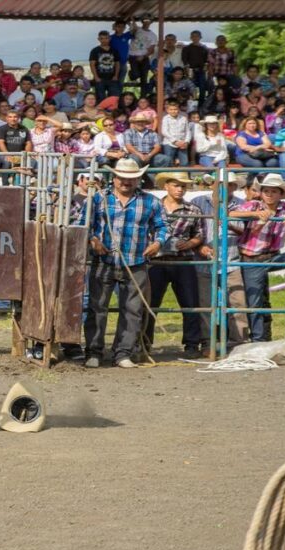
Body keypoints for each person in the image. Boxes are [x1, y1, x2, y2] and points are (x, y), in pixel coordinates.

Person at [81, 159, 168, 368]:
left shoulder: (151, 202)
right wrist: (93, 240)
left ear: (138, 178)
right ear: (114, 178)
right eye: (122, 178)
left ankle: (123, 353)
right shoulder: (97, 199)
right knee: (96, 307)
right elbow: (83, 225)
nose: (126, 182)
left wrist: (158, 242)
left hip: (135, 261)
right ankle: (94, 352)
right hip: (103, 261)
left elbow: (164, 226)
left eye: (131, 178)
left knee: (133, 310)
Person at [229, 174, 285, 341]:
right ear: (261, 192)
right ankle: (259, 340)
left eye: (274, 191)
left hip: (273, 257)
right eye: (266, 190)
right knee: (255, 302)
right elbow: (232, 212)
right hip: (251, 259)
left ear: (280, 194)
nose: (269, 194)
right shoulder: (253, 205)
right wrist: (255, 215)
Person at [144, 173, 204, 358]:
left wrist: (191, 244)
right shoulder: (154, 206)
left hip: (183, 259)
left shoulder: (193, 209)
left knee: (190, 303)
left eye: (183, 186)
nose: (180, 189)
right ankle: (145, 342)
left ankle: (192, 344)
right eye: (176, 185)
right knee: (150, 302)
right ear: (167, 186)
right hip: (157, 261)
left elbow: (199, 234)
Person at [191, 171, 249, 351]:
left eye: (230, 184)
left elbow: (245, 232)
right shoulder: (198, 202)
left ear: (234, 187)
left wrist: (227, 218)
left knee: (237, 304)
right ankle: (208, 343)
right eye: (221, 184)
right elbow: (192, 231)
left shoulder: (242, 206)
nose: (225, 187)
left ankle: (239, 343)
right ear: (213, 185)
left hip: (231, 260)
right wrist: (199, 247)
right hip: (204, 261)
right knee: (206, 304)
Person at [127, 16, 157, 95]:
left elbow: (152, 49)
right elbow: (132, 27)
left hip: (144, 57)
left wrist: (144, 56)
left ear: (151, 22)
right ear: (142, 21)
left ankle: (143, 97)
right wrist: (132, 19)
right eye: (144, 20)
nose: (146, 21)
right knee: (136, 74)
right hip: (133, 56)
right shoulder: (137, 29)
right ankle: (131, 75)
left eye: (148, 20)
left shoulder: (153, 35)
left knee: (144, 79)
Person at [90, 30, 122, 101]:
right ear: (99, 39)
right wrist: (96, 77)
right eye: (102, 38)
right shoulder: (95, 50)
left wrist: (116, 76)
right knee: (100, 98)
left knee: (114, 98)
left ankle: (113, 112)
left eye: (106, 38)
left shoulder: (114, 50)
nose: (104, 40)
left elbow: (117, 64)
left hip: (112, 78)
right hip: (100, 78)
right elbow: (92, 65)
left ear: (109, 38)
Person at [159, 99, 191, 167]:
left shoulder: (183, 118)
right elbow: (164, 131)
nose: (173, 111)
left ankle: (185, 177)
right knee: (169, 162)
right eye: (171, 109)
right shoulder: (166, 118)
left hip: (182, 143)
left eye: (175, 109)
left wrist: (186, 142)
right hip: (169, 143)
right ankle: (168, 177)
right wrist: (175, 141)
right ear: (167, 110)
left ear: (178, 109)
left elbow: (188, 131)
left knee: (184, 163)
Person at [182, 30, 210, 105]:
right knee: (191, 87)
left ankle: (201, 103)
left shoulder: (204, 48)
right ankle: (191, 103)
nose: (195, 38)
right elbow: (184, 60)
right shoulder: (187, 48)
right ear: (190, 37)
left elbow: (207, 60)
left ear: (200, 37)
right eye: (193, 36)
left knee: (202, 87)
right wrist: (187, 71)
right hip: (191, 70)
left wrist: (205, 67)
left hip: (201, 71)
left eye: (197, 36)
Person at [109, 20, 133, 86]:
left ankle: (119, 95)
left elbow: (134, 29)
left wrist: (129, 23)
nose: (121, 28)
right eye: (119, 27)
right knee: (112, 82)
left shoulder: (126, 36)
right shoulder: (111, 38)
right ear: (115, 27)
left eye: (123, 27)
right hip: (113, 64)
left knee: (120, 82)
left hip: (123, 63)